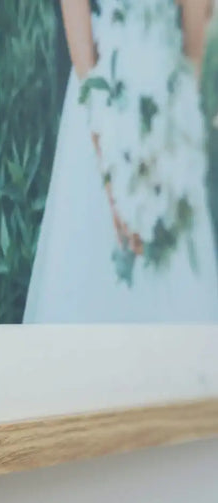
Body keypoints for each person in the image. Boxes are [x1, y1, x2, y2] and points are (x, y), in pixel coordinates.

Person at [23, 0, 218, 323]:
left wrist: (177, 135)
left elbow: (195, 29)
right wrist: (112, 175)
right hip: (98, 98)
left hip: (170, 107)